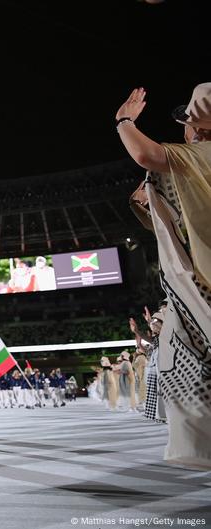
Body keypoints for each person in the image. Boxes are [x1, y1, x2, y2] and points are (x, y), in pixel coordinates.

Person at [118, 84, 211, 469]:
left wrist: (123, 120)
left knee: (186, 358)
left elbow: (146, 153)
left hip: (203, 285)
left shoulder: (195, 155)